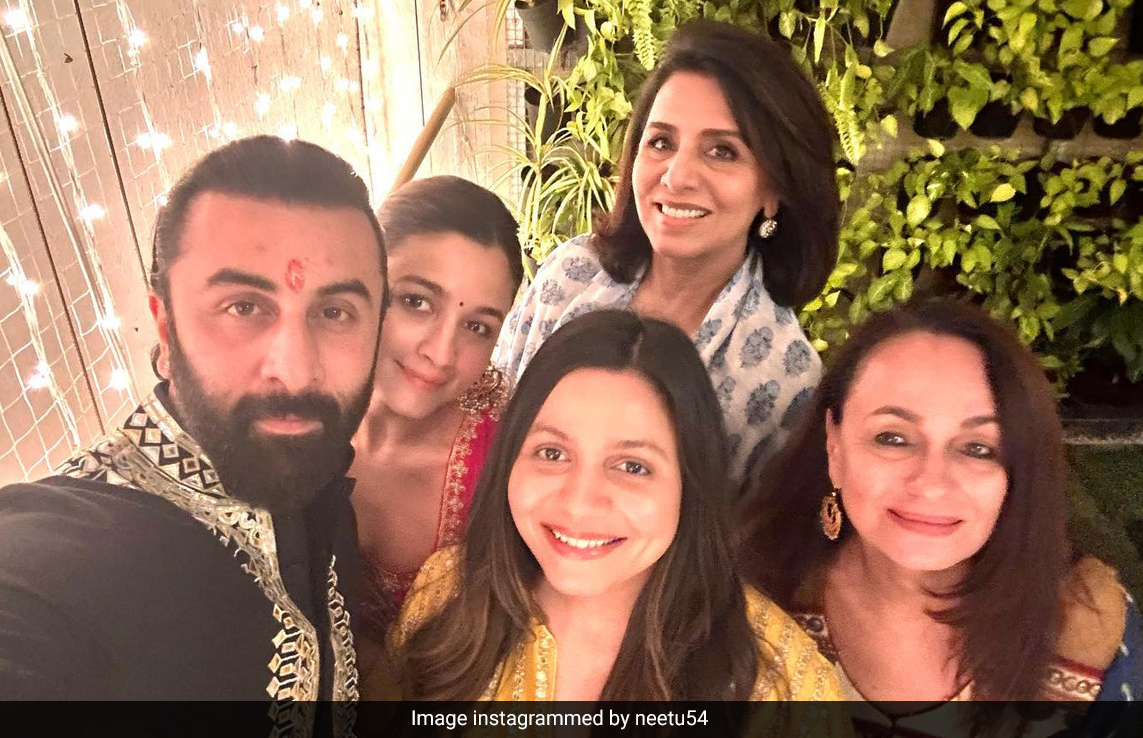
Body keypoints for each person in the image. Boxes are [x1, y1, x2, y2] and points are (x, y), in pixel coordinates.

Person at [0, 137, 385, 723]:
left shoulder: (326, 490)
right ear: (166, 327)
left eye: (335, 313)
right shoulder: (57, 552)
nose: (296, 370)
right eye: (243, 307)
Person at [389, 310, 844, 704]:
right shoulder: (447, 594)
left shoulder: (784, 689)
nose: (579, 501)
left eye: (632, 466)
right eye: (552, 453)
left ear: (690, 486)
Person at [737, 299, 1143, 710]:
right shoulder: (749, 597)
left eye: (978, 448)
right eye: (892, 438)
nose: (931, 484)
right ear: (834, 446)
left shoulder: (1088, 626)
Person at [494, 19, 839, 485]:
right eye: (661, 142)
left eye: (722, 151)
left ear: (774, 189)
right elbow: (489, 432)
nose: (676, 177)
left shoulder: (783, 384)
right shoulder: (571, 276)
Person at [350, 176, 522, 639]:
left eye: (477, 327)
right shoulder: (291, 416)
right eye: (417, 302)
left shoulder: (507, 470)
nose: (441, 354)